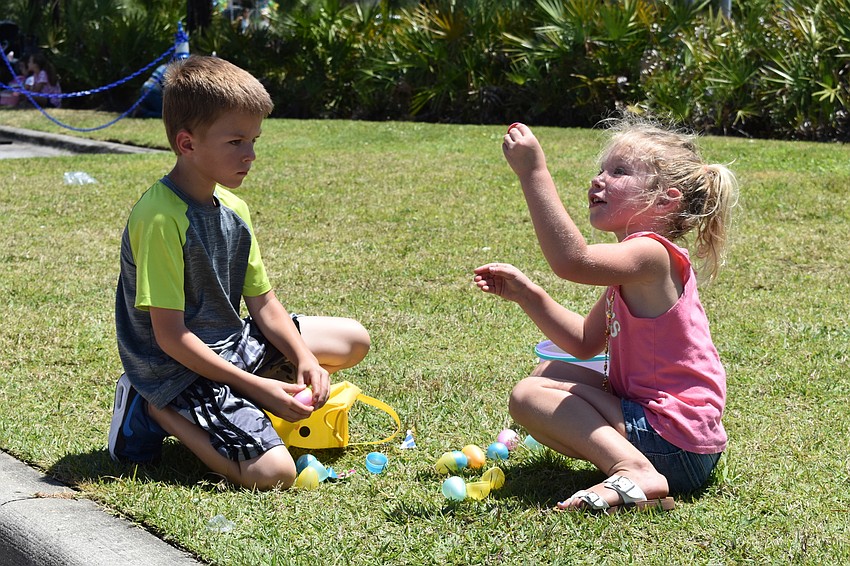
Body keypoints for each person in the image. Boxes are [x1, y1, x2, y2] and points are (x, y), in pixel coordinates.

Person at [108, 55, 370, 491]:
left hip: (231, 345)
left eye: (254, 140)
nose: (250, 155)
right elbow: (170, 337)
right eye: (235, 142)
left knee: (351, 339)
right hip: (175, 368)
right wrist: (254, 386)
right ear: (187, 143)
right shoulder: (159, 217)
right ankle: (156, 410)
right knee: (275, 475)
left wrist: (304, 358)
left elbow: (264, 305)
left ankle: (240, 397)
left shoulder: (234, 208)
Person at [474, 116, 737, 512]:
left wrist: (533, 172)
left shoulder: (650, 255)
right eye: (601, 169)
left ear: (666, 199)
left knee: (527, 395)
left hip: (672, 443)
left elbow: (573, 260)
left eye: (619, 172)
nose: (599, 179)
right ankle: (640, 478)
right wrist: (528, 295)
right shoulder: (636, 267)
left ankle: (634, 470)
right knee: (547, 374)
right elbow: (582, 342)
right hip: (680, 443)